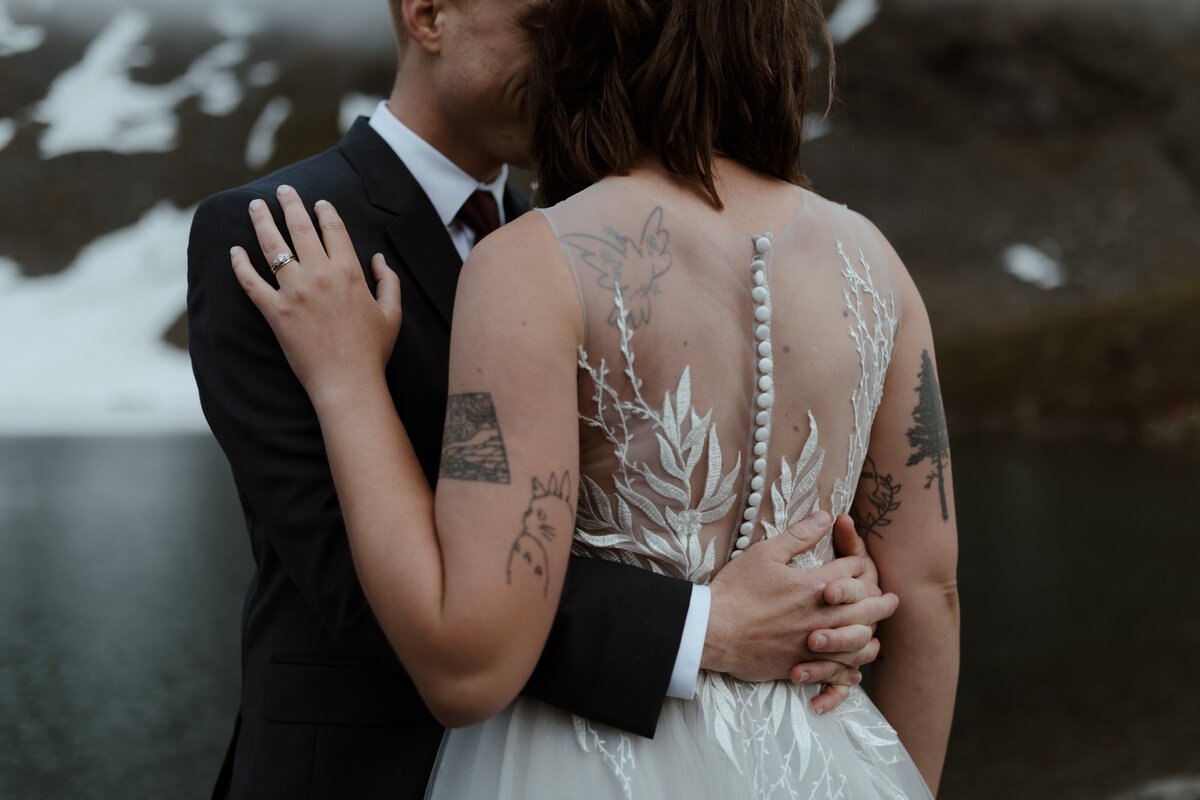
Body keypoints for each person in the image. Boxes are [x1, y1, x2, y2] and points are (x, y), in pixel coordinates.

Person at [229, 0, 960, 797]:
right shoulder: (875, 264)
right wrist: (893, 780)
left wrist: (347, 379)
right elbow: (927, 590)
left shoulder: (536, 258)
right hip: (830, 759)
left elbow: (464, 661)